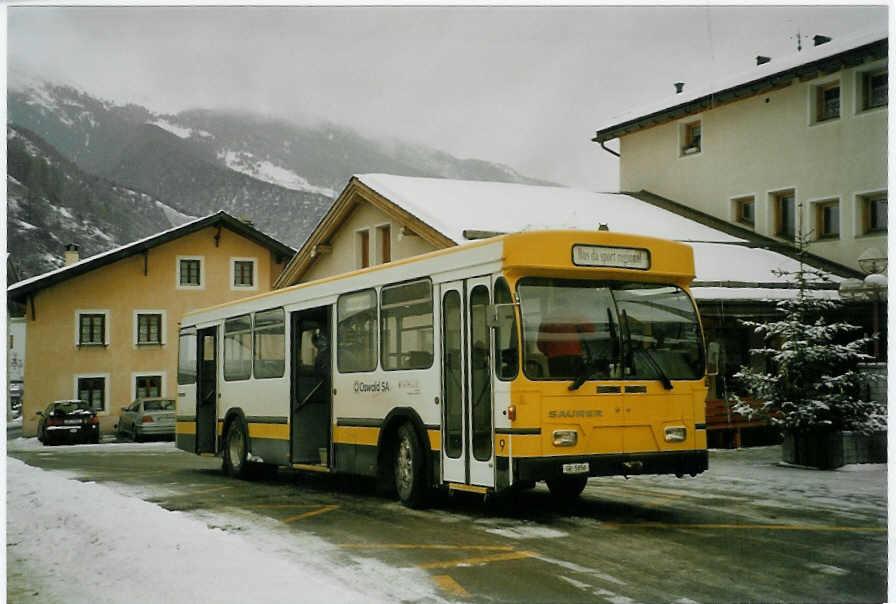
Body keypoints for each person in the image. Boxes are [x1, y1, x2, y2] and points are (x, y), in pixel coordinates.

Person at [536, 296, 597, 378]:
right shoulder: (574, 315)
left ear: (554, 306)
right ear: (568, 305)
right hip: (573, 357)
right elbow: (591, 329)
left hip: (554, 360)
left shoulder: (547, 319)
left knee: (558, 384)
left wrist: (549, 352)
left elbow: (540, 345)